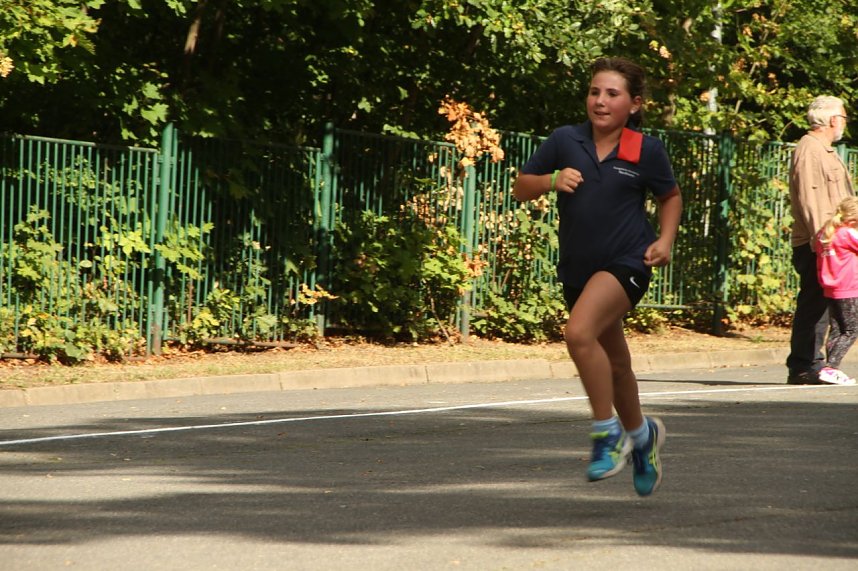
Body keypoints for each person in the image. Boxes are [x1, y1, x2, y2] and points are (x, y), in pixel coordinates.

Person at [512, 57, 682, 496]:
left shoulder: (645, 149)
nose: (600, 101)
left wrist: (664, 240)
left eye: (612, 94)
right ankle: (644, 439)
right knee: (618, 362)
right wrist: (552, 179)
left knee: (578, 333)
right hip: (578, 268)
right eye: (594, 92)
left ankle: (606, 434)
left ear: (634, 104)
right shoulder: (565, 140)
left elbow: (670, 196)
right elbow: (521, 185)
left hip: (628, 261)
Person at [786, 96, 853, 385]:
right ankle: (804, 366)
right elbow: (811, 199)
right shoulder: (810, 149)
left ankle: (816, 364)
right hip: (821, 242)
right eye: (844, 118)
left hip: (830, 241)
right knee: (814, 303)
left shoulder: (824, 150)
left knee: (824, 304)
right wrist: (822, 241)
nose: (844, 124)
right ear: (833, 120)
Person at [814, 196, 858, 385]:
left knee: (838, 329)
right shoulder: (847, 234)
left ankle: (831, 369)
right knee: (851, 329)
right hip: (849, 287)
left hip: (831, 287)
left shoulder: (825, 233)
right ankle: (830, 367)